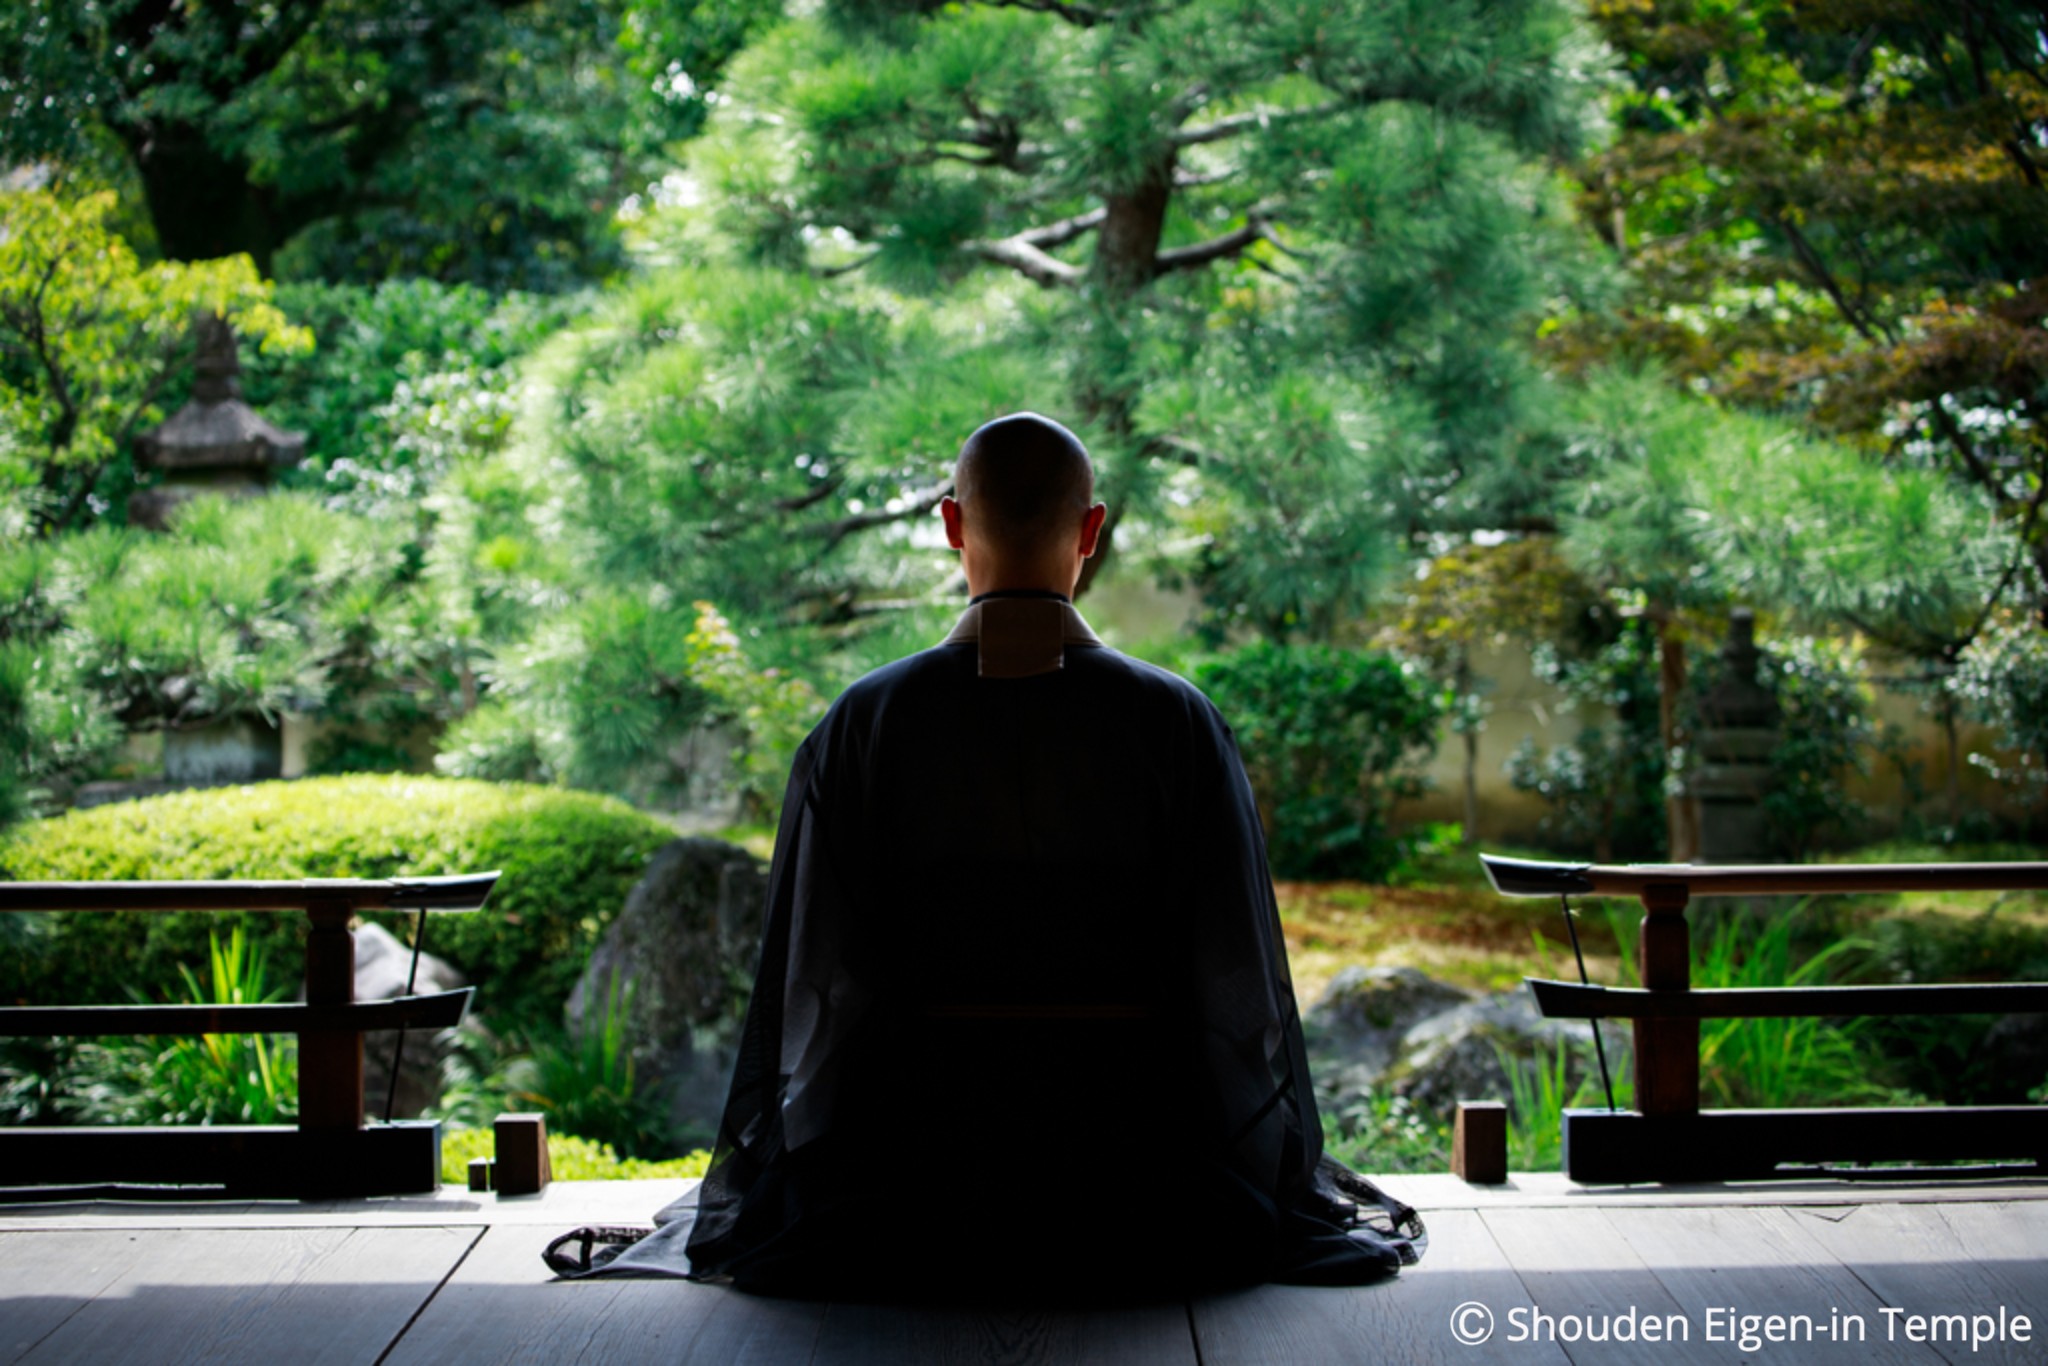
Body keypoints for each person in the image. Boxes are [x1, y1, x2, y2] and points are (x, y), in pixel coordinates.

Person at [546, 412, 1425, 1296]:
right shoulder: (1177, 723)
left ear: (952, 526)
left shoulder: (863, 723)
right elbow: (1235, 988)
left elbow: (814, 989)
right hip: (1138, 1185)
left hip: (904, 1186)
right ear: (1092, 531)